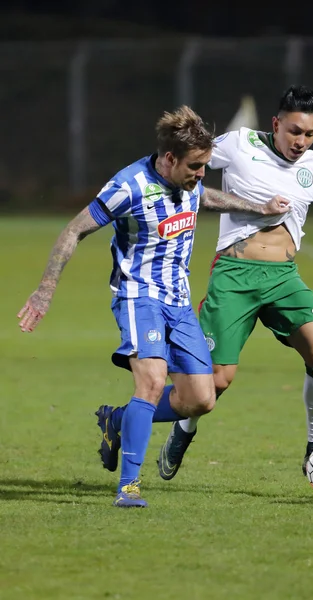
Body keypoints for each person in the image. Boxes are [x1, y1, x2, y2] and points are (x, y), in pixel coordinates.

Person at [96, 87, 313, 482]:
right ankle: (142, 422)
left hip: (284, 278)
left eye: (310, 134)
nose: (301, 142)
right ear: (276, 123)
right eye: (294, 131)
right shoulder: (238, 144)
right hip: (233, 276)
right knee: (212, 386)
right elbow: (186, 158)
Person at [17, 105, 290, 508]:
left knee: (201, 398)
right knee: (152, 381)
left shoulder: (191, 181)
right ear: (168, 159)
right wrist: (45, 288)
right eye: (195, 166)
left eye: (205, 166)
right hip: (138, 296)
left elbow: (205, 196)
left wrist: (258, 208)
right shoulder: (128, 186)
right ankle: (128, 487)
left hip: (178, 300)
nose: (201, 174)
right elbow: (75, 229)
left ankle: (118, 420)